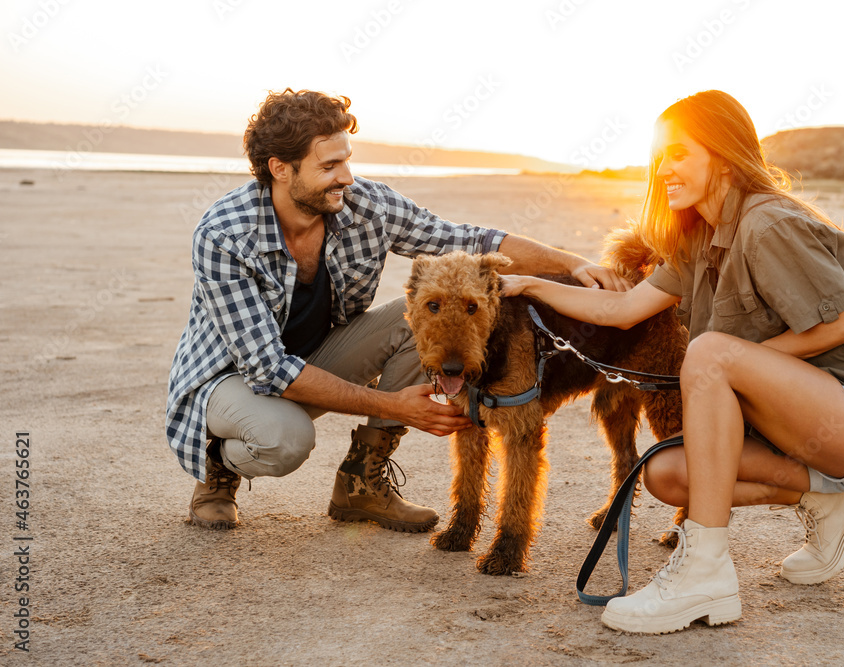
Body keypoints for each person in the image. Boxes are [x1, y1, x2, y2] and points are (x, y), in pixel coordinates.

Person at [501, 90, 844, 634]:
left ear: (720, 152)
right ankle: (834, 505)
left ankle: (704, 574)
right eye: (659, 157)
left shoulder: (767, 223)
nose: (664, 169)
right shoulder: (696, 237)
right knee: (666, 475)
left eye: (678, 153)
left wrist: (733, 368)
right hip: (799, 428)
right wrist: (530, 283)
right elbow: (623, 309)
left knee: (708, 354)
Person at [166, 88, 628, 534]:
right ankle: (218, 467)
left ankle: (360, 482)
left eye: (346, 159)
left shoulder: (364, 203)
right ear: (280, 169)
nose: (346, 176)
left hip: (315, 355)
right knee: (285, 440)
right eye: (330, 165)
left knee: (420, 324)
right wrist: (394, 406)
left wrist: (575, 263)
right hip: (229, 379)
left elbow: (467, 239)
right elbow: (267, 369)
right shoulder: (224, 235)